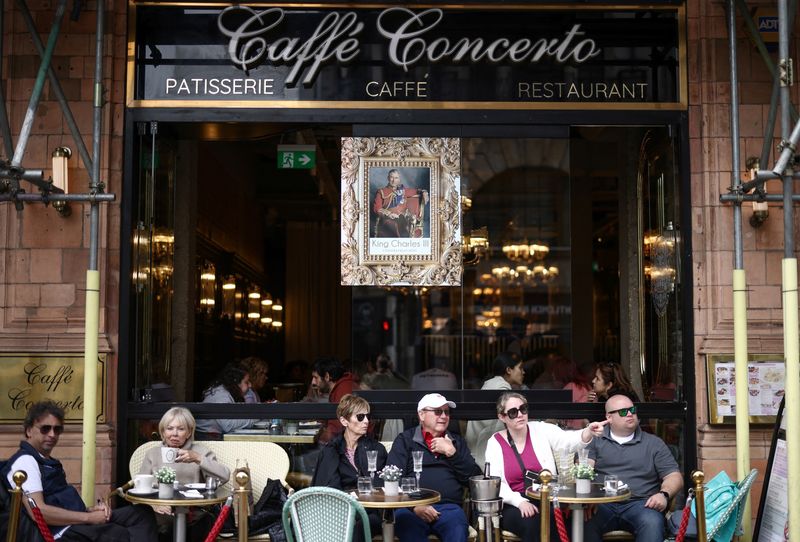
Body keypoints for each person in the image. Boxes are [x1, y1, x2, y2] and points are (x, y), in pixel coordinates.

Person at [0, 401, 157, 541]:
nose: (52, 434)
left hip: (75, 519)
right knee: (116, 534)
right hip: (58, 532)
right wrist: (89, 517)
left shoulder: (48, 461)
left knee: (141, 514)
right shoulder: (26, 462)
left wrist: (91, 510)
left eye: (57, 429)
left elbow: (58, 500)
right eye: (45, 429)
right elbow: (39, 512)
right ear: (28, 431)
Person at [484, 392, 607, 542]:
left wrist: (588, 431)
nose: (520, 415)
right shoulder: (495, 442)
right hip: (513, 503)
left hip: (546, 498)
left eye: (523, 409)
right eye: (512, 412)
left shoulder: (540, 429)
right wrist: (520, 502)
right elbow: (495, 482)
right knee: (533, 523)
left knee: (574, 521)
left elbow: (567, 440)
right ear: (502, 417)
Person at [583, 394, 683, 542]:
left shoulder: (653, 443)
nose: (630, 414)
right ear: (609, 417)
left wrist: (664, 495)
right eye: (623, 412)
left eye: (632, 410)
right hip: (601, 504)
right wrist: (587, 499)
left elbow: (674, 476)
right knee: (582, 521)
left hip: (641, 504)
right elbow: (585, 469)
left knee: (652, 523)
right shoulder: (596, 440)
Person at [387, 393, 481, 542]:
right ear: (422, 415)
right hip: (411, 508)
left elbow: (474, 480)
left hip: (449, 508)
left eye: (446, 412)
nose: (444, 416)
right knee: (408, 529)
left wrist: (452, 453)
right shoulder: (405, 440)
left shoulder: (456, 441)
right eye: (438, 411)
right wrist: (414, 506)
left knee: (457, 531)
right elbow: (391, 480)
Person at [139, 407, 231, 541]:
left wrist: (198, 459)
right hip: (162, 514)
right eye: (169, 428)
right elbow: (141, 488)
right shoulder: (153, 453)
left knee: (202, 525)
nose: (174, 434)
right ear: (163, 432)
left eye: (181, 429)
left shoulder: (200, 452)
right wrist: (154, 505)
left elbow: (225, 476)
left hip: (194, 514)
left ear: (189, 432)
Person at [311, 394, 387, 542]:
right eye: (360, 417)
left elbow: (382, 486)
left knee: (359, 525)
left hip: (370, 511)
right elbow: (328, 487)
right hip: (339, 511)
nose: (366, 421)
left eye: (367, 416)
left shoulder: (376, 449)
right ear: (344, 421)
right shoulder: (331, 450)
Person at [465, 352, 526, 465]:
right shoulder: (502, 389)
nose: (523, 372)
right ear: (509, 370)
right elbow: (512, 420)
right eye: (520, 368)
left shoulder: (491, 384)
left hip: (475, 450)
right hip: (483, 455)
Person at [195, 363, 260, 439]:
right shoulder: (221, 395)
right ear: (236, 382)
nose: (250, 385)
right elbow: (228, 425)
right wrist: (254, 418)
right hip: (207, 437)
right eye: (246, 382)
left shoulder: (228, 393)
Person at [372, 168, 429, 238]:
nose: (393, 180)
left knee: (407, 225)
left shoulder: (403, 190)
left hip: (403, 219)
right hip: (387, 220)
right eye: (391, 177)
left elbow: (417, 191)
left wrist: (424, 192)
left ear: (399, 179)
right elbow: (377, 208)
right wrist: (389, 214)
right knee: (396, 226)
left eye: (396, 178)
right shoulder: (381, 192)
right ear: (388, 178)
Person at [312, 357, 358, 443]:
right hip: (345, 443)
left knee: (303, 455)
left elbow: (336, 429)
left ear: (327, 376)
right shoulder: (342, 387)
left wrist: (318, 438)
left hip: (350, 447)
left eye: (315, 377)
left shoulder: (343, 391)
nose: (313, 382)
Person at [555, 358, 593, 429]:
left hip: (573, 430)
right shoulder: (587, 386)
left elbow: (561, 414)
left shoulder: (570, 387)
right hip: (586, 428)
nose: (553, 374)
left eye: (556, 371)